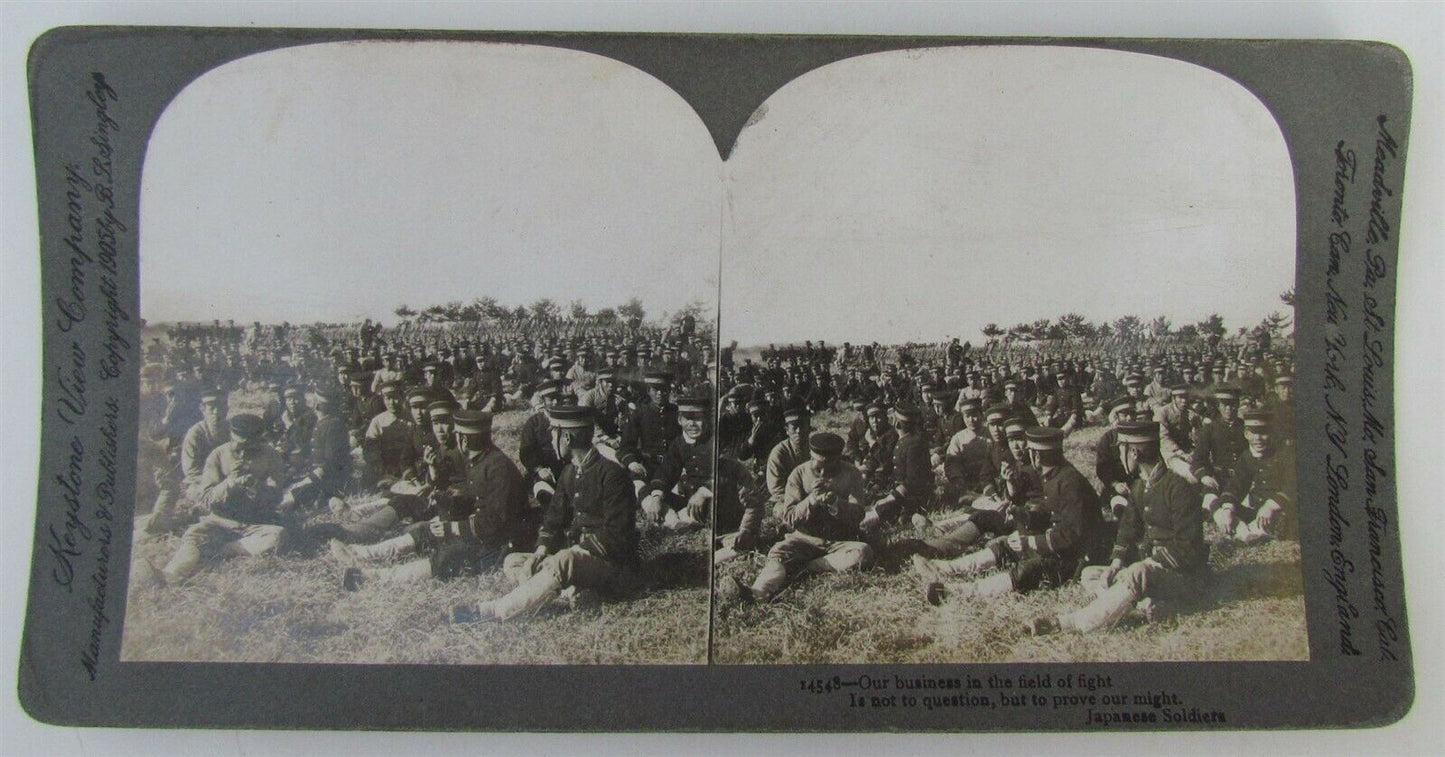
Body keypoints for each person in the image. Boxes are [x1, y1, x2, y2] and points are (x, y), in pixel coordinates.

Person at [450, 405, 639, 622]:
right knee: (514, 560)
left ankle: (493, 611)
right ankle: (566, 592)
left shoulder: (612, 475)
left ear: (566, 438)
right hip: (576, 559)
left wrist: (574, 551)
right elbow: (553, 520)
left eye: (553, 433)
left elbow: (618, 535)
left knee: (565, 560)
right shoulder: (569, 472)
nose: (551, 439)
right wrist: (540, 552)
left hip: (613, 567)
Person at [1027, 420, 1207, 635]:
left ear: (1134, 453)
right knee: (1090, 574)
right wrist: (1116, 564)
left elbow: (1188, 548)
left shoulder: (1178, 488)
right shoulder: (1140, 486)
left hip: (1185, 578)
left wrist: (1146, 564)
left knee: (1136, 572)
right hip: (1152, 574)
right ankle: (1147, 606)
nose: (1120, 456)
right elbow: (1127, 530)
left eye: (1121, 449)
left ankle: (1071, 623)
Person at [335, 409, 529, 589]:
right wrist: (447, 511)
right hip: (485, 530)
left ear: (463, 440)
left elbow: (497, 522)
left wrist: (453, 528)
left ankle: (372, 577)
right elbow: (475, 502)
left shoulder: (497, 468)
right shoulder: (482, 460)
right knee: (427, 531)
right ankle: (363, 554)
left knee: (450, 554)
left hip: (502, 543)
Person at [911, 427, 1102, 605]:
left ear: (1036, 455)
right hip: (1062, 546)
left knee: (1029, 569)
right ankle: (946, 569)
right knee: (1006, 545)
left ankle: (959, 592)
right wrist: (1022, 515)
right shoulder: (1056, 475)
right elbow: (1050, 513)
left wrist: (1032, 542)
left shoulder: (1069, 483)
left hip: (1077, 559)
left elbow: (1075, 534)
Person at [715, 432, 874, 605]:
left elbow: (858, 515)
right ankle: (757, 592)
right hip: (804, 539)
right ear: (811, 455)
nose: (822, 472)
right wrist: (811, 501)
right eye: (818, 466)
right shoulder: (799, 474)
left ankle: (806, 567)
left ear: (838, 459)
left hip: (840, 541)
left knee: (863, 553)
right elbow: (790, 518)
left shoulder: (851, 474)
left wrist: (835, 502)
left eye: (829, 466)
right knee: (778, 554)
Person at [149, 414, 289, 585]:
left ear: (260, 441)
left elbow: (276, 497)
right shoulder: (218, 455)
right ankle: (171, 573)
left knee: (277, 536)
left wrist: (255, 486)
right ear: (231, 436)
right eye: (238, 448)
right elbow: (206, 499)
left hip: (255, 522)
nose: (243, 454)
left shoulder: (271, 456)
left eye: (250, 449)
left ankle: (223, 550)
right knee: (193, 535)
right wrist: (230, 483)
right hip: (220, 520)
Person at [1211, 408, 1296, 542]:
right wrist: (1228, 509)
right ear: (1246, 434)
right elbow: (1236, 484)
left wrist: (1270, 506)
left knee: (1281, 521)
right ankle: (1243, 530)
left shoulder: (1283, 454)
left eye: (1263, 432)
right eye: (1253, 433)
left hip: (1275, 510)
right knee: (1217, 504)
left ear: (1271, 432)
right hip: (1256, 510)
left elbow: (1293, 486)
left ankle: (1244, 532)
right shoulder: (1246, 456)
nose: (1258, 438)